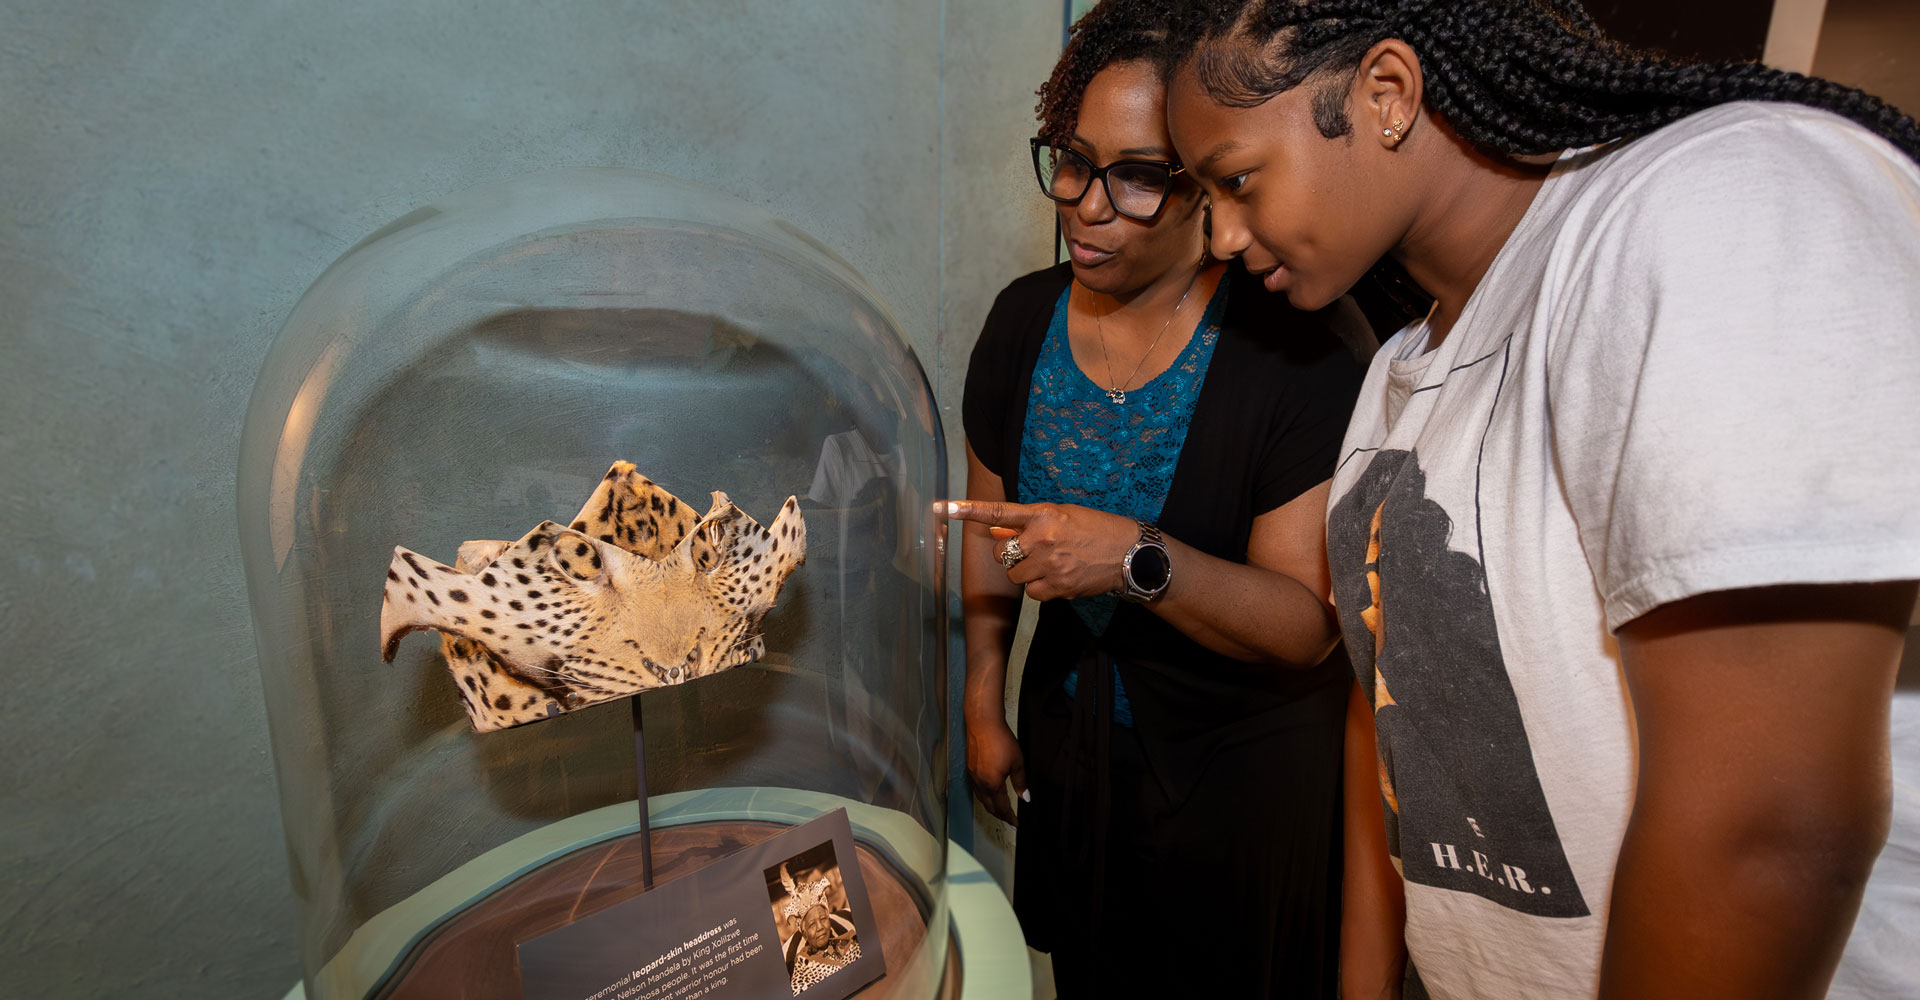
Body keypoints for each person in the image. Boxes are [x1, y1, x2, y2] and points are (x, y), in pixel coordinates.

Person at [1157, 3, 1920, 999]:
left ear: (1385, 93)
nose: (1218, 233)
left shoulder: (1721, 200)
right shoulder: (1399, 372)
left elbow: (1771, 824)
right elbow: (1389, 714)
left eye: (1237, 178)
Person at [943, 2, 1368, 996]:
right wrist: (980, 701)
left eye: (1136, 176)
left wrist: (1136, 554)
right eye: (1072, 160)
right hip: (1078, 761)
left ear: (1209, 187)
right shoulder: (1019, 325)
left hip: (1245, 788)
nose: (1086, 204)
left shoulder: (1294, 349)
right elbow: (987, 542)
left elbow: (1307, 627)